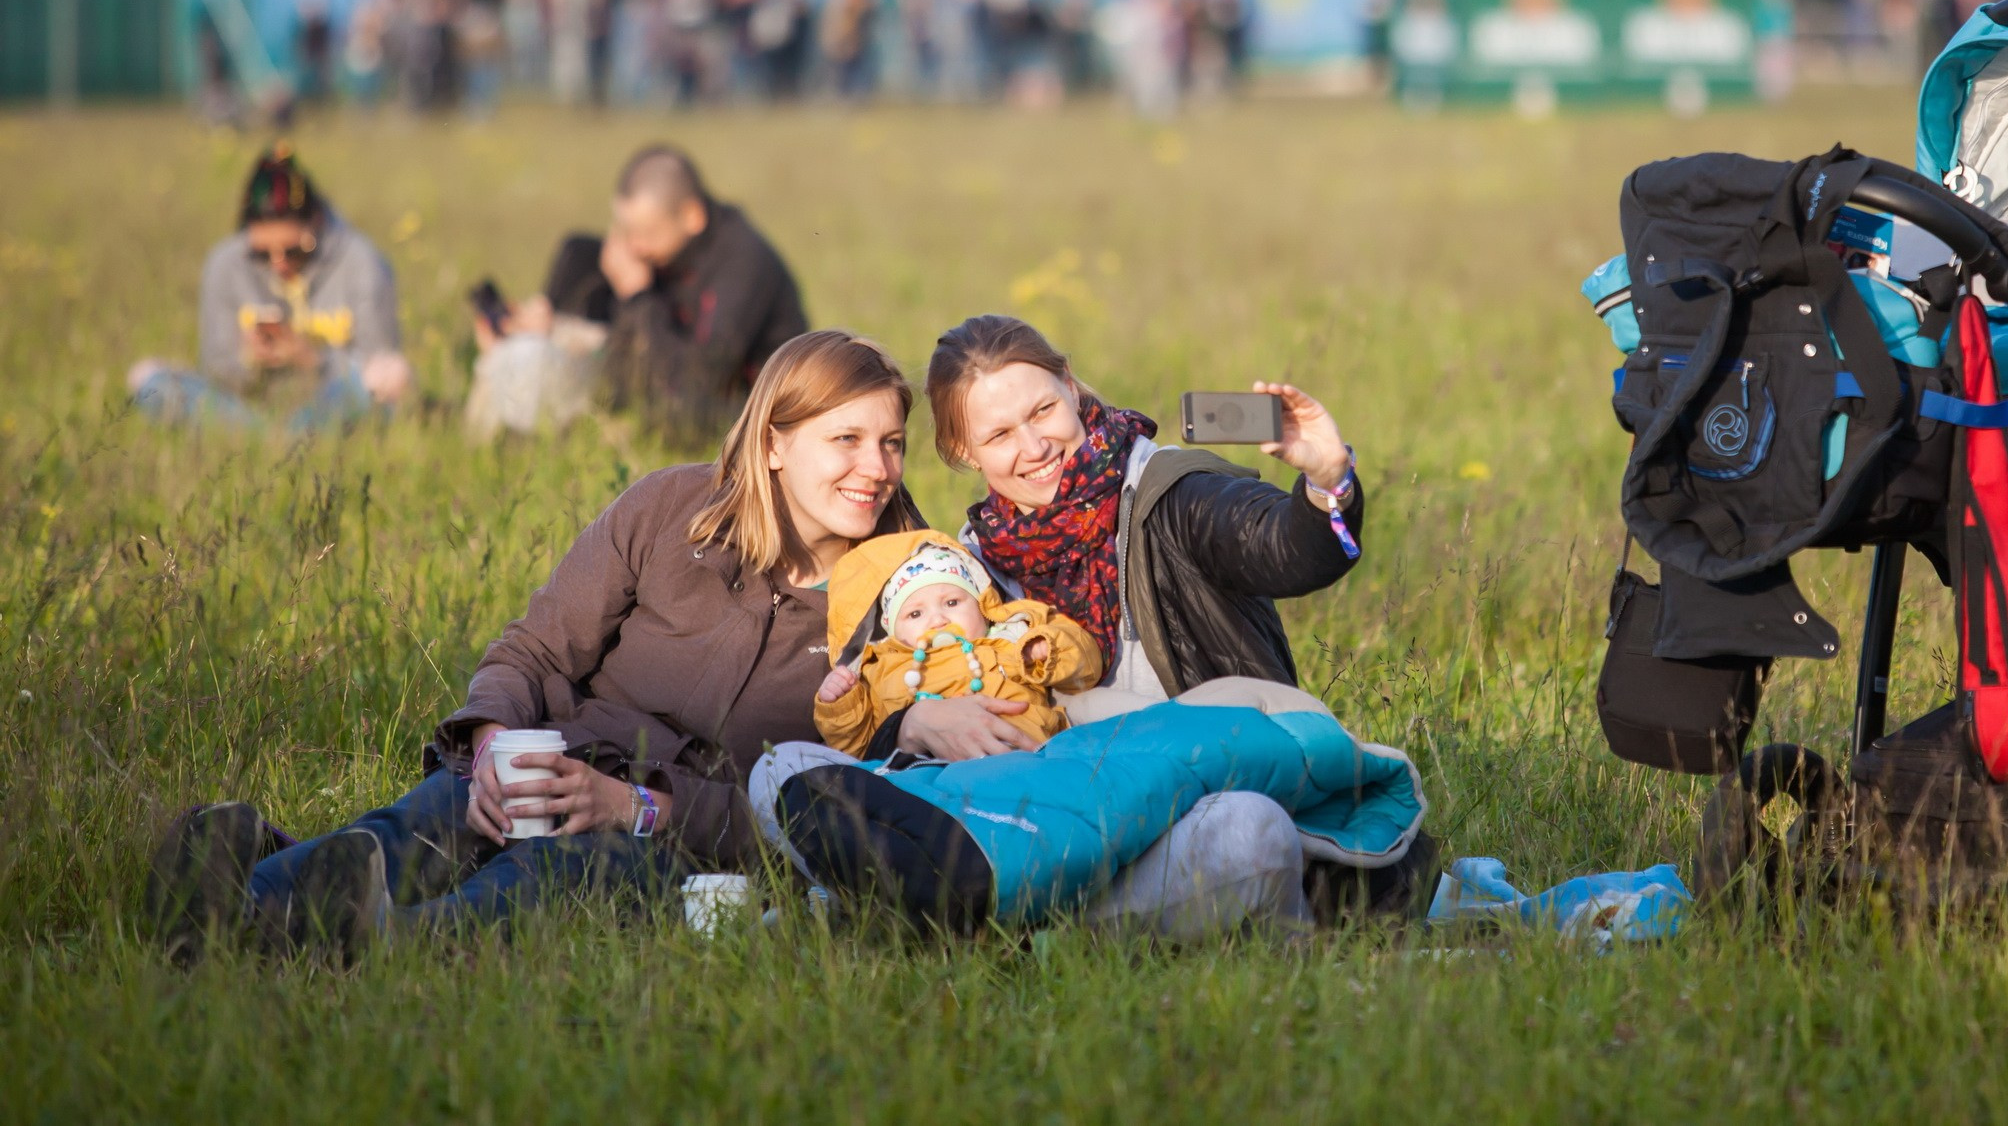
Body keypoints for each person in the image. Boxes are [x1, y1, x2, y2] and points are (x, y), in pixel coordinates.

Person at [142, 330, 926, 963]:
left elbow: (860, 807)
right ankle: (239, 896)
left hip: (677, 841)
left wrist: (639, 807)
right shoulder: (669, 507)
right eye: (847, 438)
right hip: (553, 762)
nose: (876, 468)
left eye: (891, 442)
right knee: (423, 826)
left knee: (556, 874)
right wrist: (488, 748)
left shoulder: (913, 596)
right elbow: (535, 650)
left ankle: (352, 932)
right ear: (774, 443)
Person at [883, 313, 1427, 929]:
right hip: (1069, 823)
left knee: (1249, 829)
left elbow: (1293, 552)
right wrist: (921, 718)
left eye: (1042, 412)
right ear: (962, 451)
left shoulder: (1170, 493)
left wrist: (1329, 483)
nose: (1034, 448)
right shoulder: (965, 572)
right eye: (1000, 434)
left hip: (1207, 795)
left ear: (1070, 385)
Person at [475, 144, 806, 439]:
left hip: (742, 413)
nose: (634, 247)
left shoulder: (743, 265)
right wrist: (554, 316)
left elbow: (692, 386)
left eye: (646, 233)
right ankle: (525, 356)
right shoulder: (670, 251)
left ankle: (551, 405)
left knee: (664, 408)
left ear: (692, 216)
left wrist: (637, 296)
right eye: (626, 231)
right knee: (579, 255)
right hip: (669, 386)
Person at [128, 145, 410, 430]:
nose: (279, 265)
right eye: (263, 254)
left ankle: (262, 441)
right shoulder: (224, 264)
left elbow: (378, 366)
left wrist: (312, 360)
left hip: (330, 403)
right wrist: (250, 361)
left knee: (392, 375)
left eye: (294, 251)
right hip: (246, 407)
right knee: (146, 378)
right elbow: (214, 373)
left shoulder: (362, 262)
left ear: (317, 222)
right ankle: (281, 440)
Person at [811, 530, 1101, 755]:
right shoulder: (881, 669)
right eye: (915, 613)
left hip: (1023, 749)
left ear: (980, 604)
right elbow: (858, 747)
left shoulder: (1009, 637)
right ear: (892, 630)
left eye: (952, 602)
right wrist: (839, 704)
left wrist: (1046, 649)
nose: (938, 620)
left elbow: (1086, 665)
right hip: (929, 771)